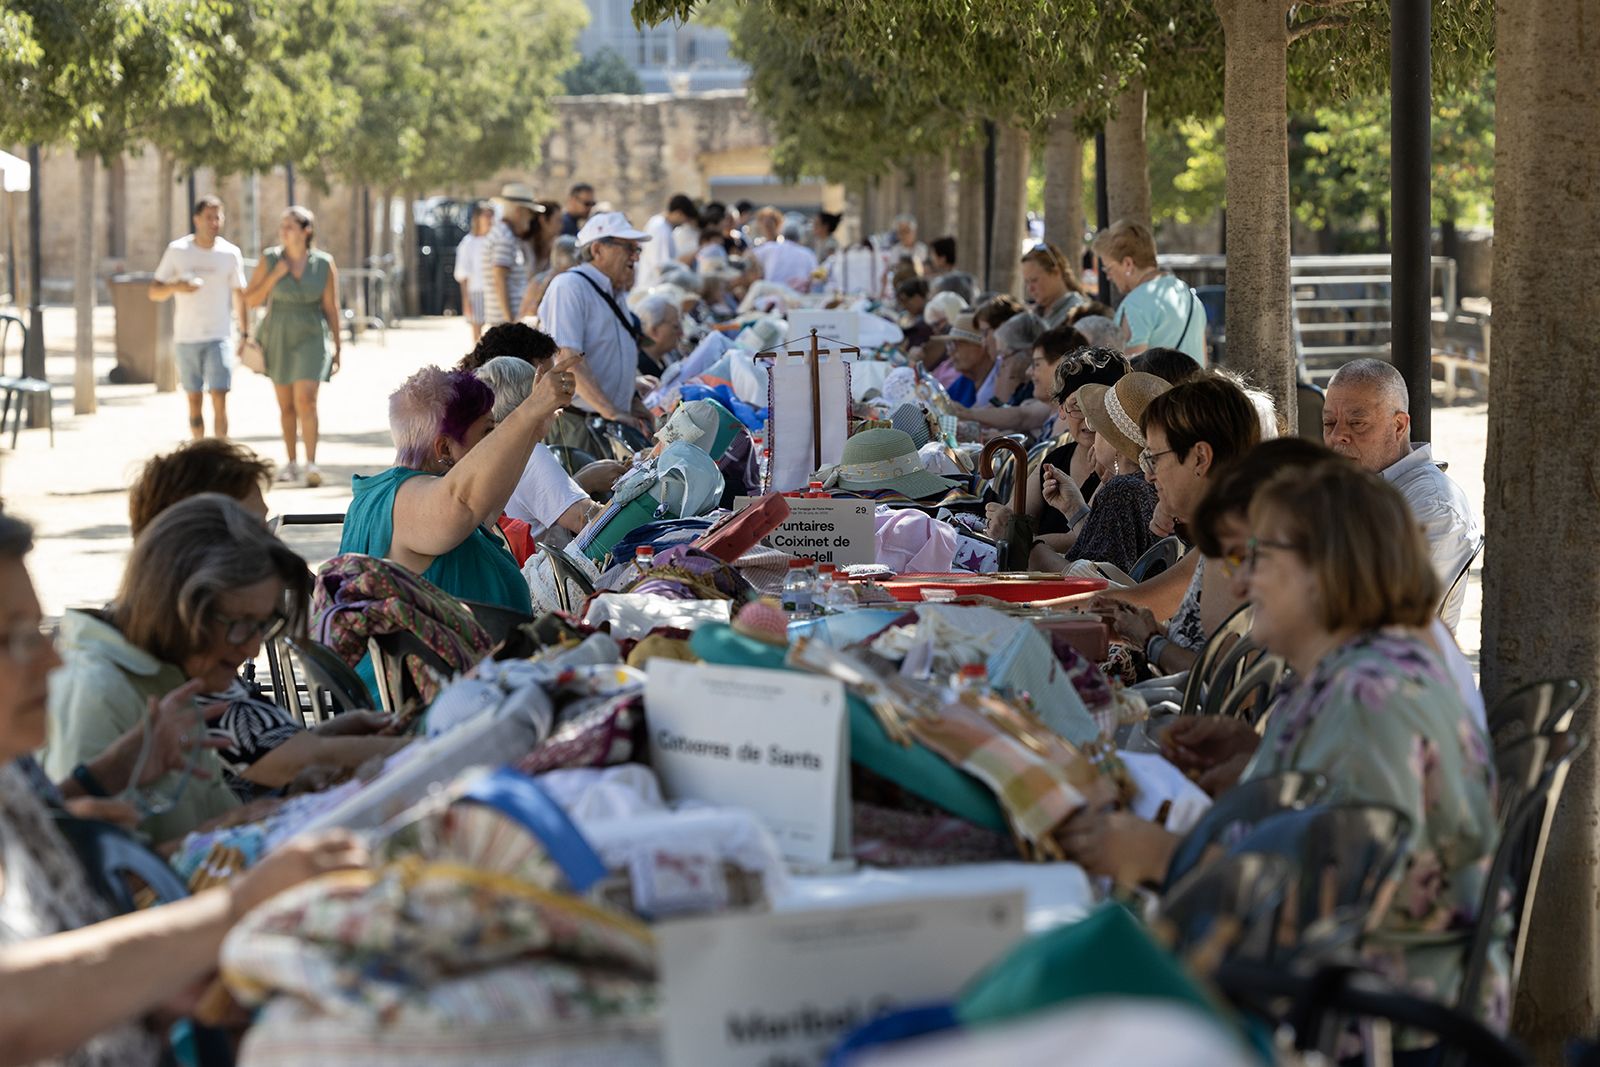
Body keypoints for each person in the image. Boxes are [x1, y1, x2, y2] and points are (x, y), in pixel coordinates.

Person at [1061, 460, 1502, 1040]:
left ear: (1323, 570)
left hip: (1373, 1022)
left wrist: (1165, 857)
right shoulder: (1369, 658)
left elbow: (1336, 900)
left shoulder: (1373, 695)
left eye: (1254, 561)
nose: (1239, 585)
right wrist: (1258, 757)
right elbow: (1338, 808)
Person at [0, 509, 365, 1066]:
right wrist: (234, 908)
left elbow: (58, 899)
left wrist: (101, 782)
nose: (52, 658)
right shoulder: (98, 689)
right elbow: (16, 1010)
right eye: (15, 640)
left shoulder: (14, 766)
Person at [124, 443, 410, 797]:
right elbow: (294, 758)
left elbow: (267, 748)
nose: (267, 540)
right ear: (193, 538)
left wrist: (329, 736)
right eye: (252, 529)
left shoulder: (191, 643)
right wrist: (432, 745)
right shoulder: (174, 658)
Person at [44, 495, 310, 842]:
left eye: (261, 625)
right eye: (239, 624)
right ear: (177, 610)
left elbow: (215, 820)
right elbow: (98, 880)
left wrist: (295, 801)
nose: (252, 648)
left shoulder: (174, 677)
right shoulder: (98, 693)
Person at [341, 361, 575, 627]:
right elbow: (462, 502)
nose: (496, 438)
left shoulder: (418, 497)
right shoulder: (408, 500)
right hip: (439, 667)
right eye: (488, 431)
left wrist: (533, 428)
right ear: (443, 449)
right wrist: (529, 410)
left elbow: (485, 507)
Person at [1089, 374, 1262, 679]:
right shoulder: (1224, 535)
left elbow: (1226, 682)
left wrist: (1151, 641)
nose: (1149, 476)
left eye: (1155, 458)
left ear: (1200, 458)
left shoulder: (1238, 550)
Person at [1322, 359, 1481, 633]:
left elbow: (1390, 622)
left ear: (1398, 426)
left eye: (1356, 423)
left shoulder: (1434, 506)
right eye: (1329, 422)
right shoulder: (1350, 488)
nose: (1338, 436)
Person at [985, 339, 1125, 552]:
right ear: (1061, 410)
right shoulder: (1054, 461)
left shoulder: (1120, 467)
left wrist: (1020, 540)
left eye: (1100, 407)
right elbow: (1014, 515)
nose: (1089, 419)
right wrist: (1001, 519)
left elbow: (1084, 537)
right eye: (1077, 407)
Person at [242, 206, 340, 488]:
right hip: (278, 336)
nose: (283, 230)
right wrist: (275, 275)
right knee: (286, 406)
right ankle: (292, 462)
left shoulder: (323, 263)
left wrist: (338, 346)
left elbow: (331, 308)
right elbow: (251, 299)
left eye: (289, 226)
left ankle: (311, 463)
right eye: (282, 225)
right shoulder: (270, 259)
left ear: (306, 231)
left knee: (306, 400)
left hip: (312, 335)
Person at [1034, 371, 1169, 575]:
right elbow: (1106, 549)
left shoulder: (1123, 491)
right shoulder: (1146, 485)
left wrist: (1034, 550)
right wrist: (1074, 508)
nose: (1093, 434)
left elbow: (1094, 581)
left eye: (1097, 426)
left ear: (1116, 443)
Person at [538, 211, 654, 437]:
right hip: (580, 423)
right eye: (629, 248)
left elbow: (612, 357)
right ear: (597, 250)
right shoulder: (569, 286)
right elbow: (568, 360)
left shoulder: (613, 291)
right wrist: (611, 411)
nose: (636, 257)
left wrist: (632, 403)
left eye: (637, 249)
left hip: (605, 420)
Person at [148, 195, 248, 440]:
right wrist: (176, 286)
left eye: (218, 217)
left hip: (220, 336)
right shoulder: (177, 250)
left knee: (219, 396)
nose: (214, 222)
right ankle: (198, 450)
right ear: (196, 219)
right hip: (187, 338)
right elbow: (154, 291)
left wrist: (245, 334)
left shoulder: (230, 253)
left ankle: (221, 453)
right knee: (194, 399)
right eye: (209, 217)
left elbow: (239, 294)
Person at [471, 357, 598, 544]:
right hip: (551, 571)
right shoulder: (529, 452)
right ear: (534, 402)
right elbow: (584, 519)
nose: (559, 407)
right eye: (549, 396)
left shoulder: (490, 451)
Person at [1091, 219, 1207, 364]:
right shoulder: (1188, 294)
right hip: (1195, 386)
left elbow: (1130, 375)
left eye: (1108, 268)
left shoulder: (1135, 304)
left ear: (1128, 264)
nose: (1108, 276)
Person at [480, 183, 545, 328]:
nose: (531, 219)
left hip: (503, 322)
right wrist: (510, 322)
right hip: (503, 323)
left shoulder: (505, 234)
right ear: (519, 211)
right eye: (530, 213)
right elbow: (499, 279)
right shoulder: (504, 237)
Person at [925, 312, 991, 408]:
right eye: (950, 345)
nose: (950, 353)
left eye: (957, 344)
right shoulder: (965, 379)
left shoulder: (998, 383)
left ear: (982, 347)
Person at [637, 193, 699, 292]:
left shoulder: (664, 226)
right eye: (685, 219)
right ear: (678, 213)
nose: (684, 223)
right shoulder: (660, 227)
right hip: (653, 287)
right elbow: (661, 265)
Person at [1021, 242, 1089, 329]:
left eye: (1034, 280)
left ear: (1056, 272)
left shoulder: (1079, 314)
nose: (1030, 288)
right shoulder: (1033, 314)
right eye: (1027, 282)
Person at [453, 201, 494, 344]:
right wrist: (466, 300)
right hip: (476, 290)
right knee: (477, 332)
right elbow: (463, 274)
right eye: (486, 215)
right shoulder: (468, 243)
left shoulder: (495, 240)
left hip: (494, 290)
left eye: (491, 215)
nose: (490, 219)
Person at [751, 214, 819, 291]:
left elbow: (750, 256)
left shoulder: (770, 248)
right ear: (800, 236)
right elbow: (816, 279)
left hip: (770, 293)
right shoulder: (808, 254)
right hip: (797, 298)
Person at [634, 293, 683, 376]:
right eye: (676, 326)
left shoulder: (666, 357)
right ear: (654, 331)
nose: (681, 333)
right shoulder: (636, 371)